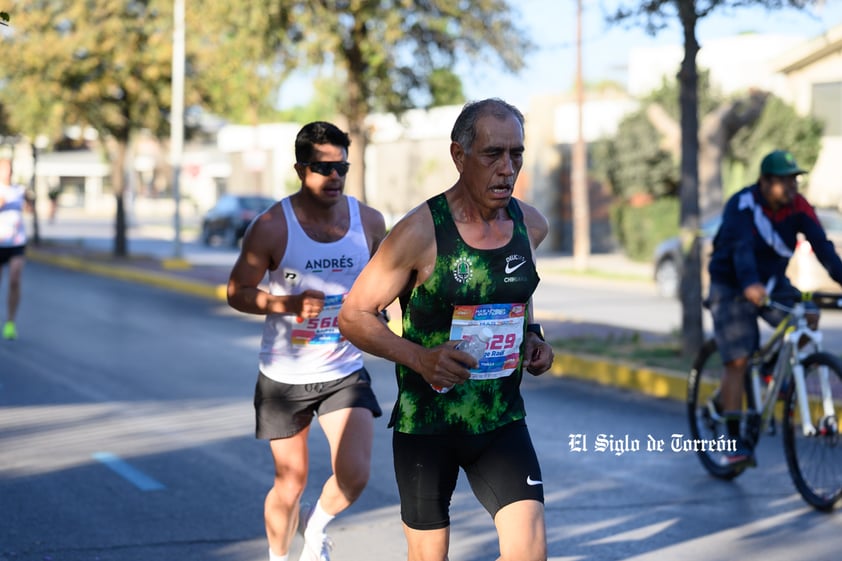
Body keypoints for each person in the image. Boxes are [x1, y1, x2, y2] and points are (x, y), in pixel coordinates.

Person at [337, 98, 555, 561]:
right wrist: (420, 357)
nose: (507, 168)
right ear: (459, 156)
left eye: (517, 154)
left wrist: (533, 337)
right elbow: (353, 314)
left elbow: (517, 291)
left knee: (529, 554)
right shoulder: (420, 231)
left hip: (499, 419)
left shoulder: (530, 225)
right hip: (428, 426)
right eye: (492, 154)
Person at [226, 121, 387, 561]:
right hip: (285, 373)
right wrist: (288, 303)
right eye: (323, 168)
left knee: (354, 474)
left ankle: (316, 528)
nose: (334, 177)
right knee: (290, 480)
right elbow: (236, 292)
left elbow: (391, 282)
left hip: (343, 368)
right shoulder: (272, 226)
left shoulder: (368, 222)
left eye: (342, 168)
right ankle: (280, 556)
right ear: (300, 169)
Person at [706, 149, 842, 468]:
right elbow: (740, 248)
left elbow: (823, 247)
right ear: (765, 182)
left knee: (808, 316)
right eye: (784, 181)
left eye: (794, 180)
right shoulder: (743, 204)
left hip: (769, 282)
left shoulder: (798, 207)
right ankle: (734, 439)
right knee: (738, 359)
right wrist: (749, 283)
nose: (792, 187)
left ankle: (770, 374)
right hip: (731, 284)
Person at [0, 157, 29, 341]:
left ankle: (10, 322)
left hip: (17, 242)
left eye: (9, 169)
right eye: (4, 169)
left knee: (14, 280)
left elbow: (27, 207)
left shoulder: (19, 190)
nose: (7, 173)